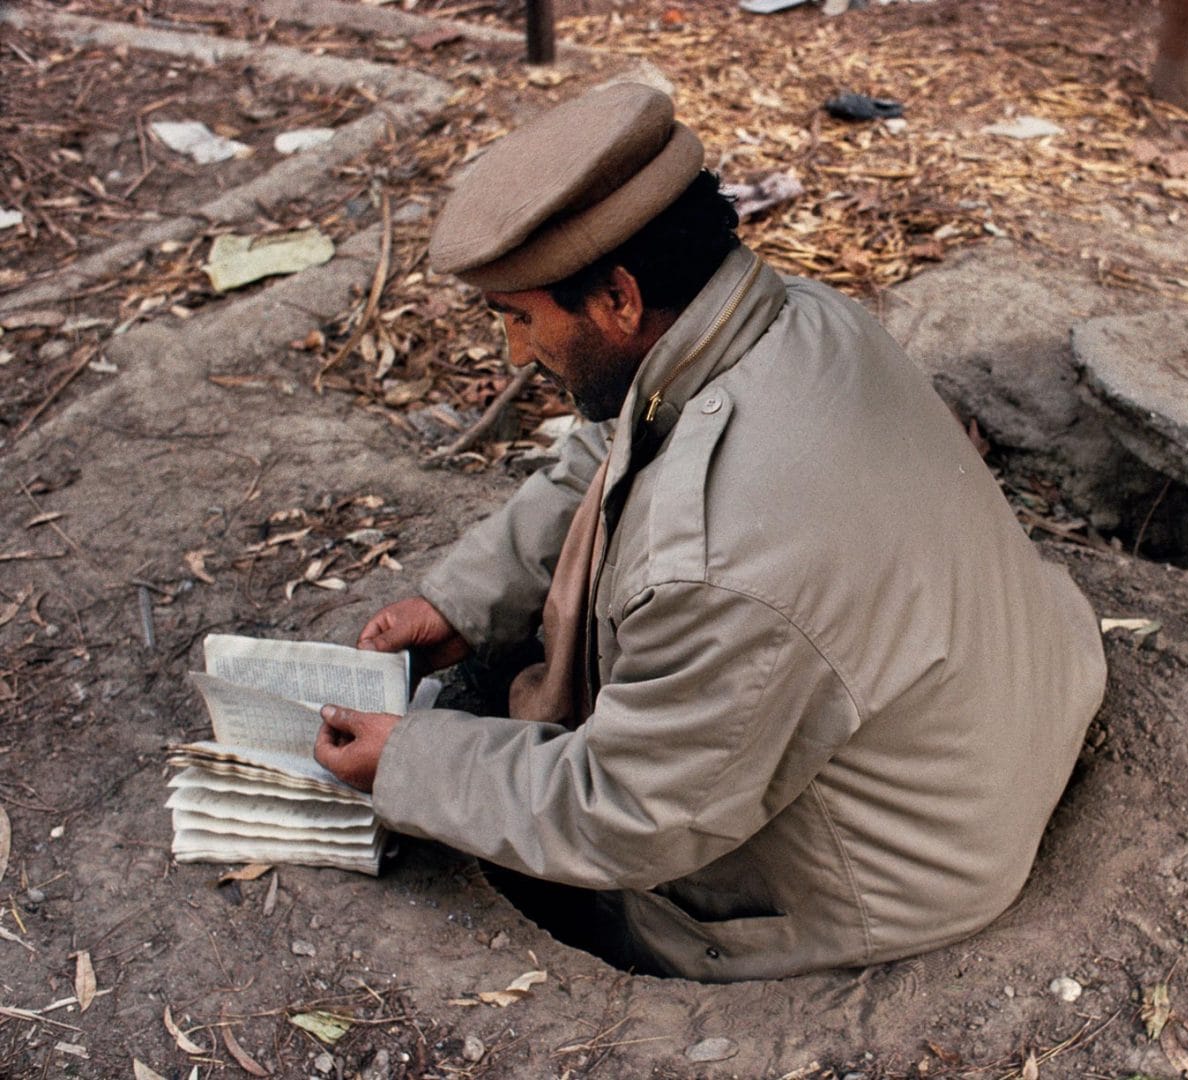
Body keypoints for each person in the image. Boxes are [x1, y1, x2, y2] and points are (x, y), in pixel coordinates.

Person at [313, 82, 1106, 982]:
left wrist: (408, 762)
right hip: (999, 721)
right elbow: (616, 442)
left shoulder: (720, 563)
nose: (516, 354)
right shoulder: (793, 319)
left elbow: (628, 816)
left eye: (521, 319)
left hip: (893, 878)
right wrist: (465, 599)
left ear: (618, 297)